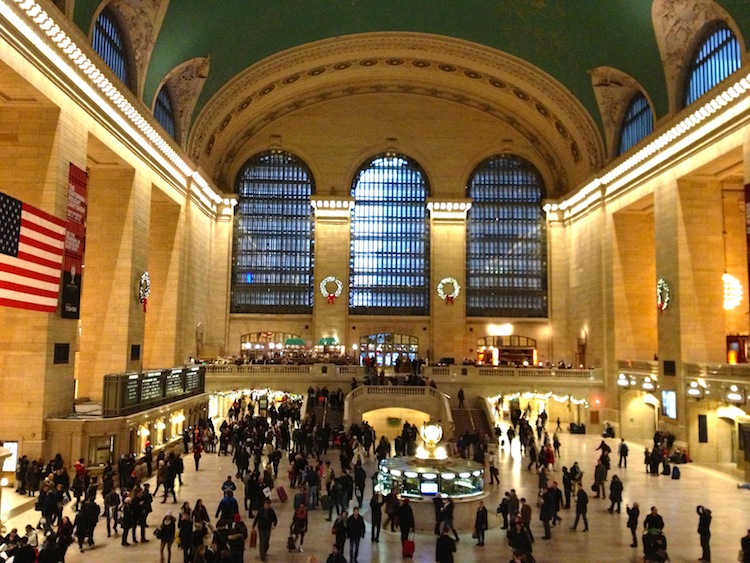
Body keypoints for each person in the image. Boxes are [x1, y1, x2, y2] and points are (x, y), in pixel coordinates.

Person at [253, 497, 278, 562]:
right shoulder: (261, 510)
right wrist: (254, 525)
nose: (266, 506)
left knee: (266, 541)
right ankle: (262, 555)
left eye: (268, 505)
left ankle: (265, 551)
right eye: (266, 504)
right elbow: (257, 518)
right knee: (262, 541)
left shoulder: (271, 511)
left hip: (268, 528)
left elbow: (275, 519)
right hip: (261, 528)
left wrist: (274, 525)